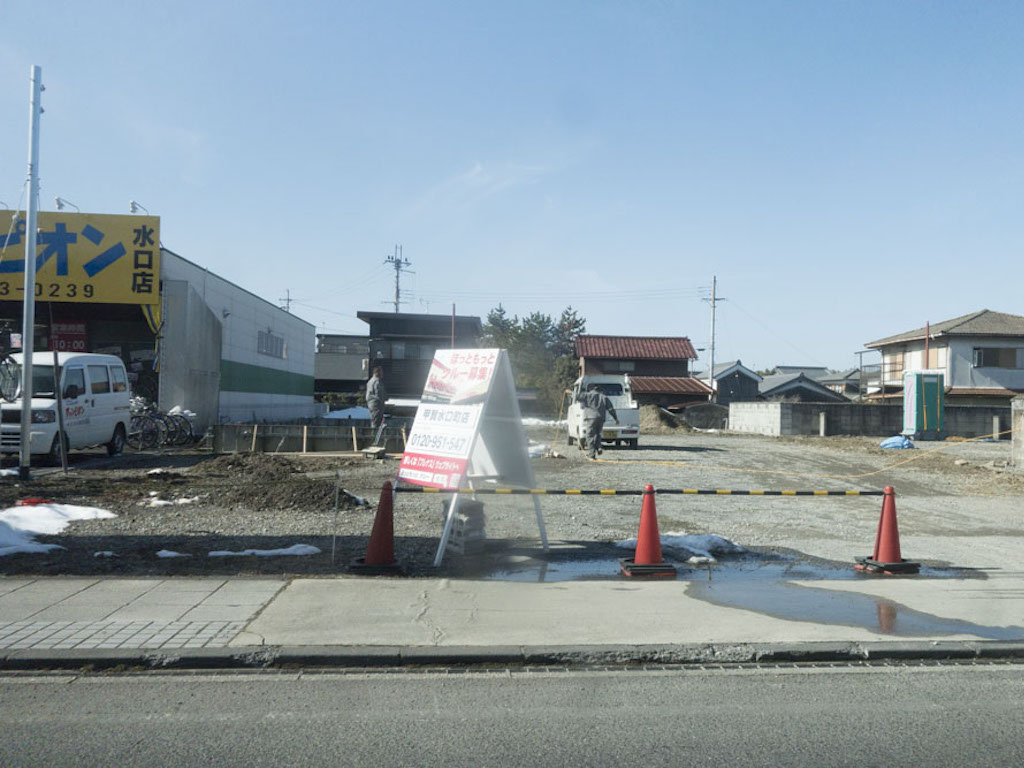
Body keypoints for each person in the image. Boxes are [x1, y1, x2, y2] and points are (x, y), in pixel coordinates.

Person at [576, 382, 618, 460]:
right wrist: (616, 419)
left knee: (590, 436)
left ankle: (591, 455)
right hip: (601, 418)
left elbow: (577, 397)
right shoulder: (604, 397)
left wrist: (572, 392)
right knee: (598, 434)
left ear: (592, 389)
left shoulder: (587, 395)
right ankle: (598, 447)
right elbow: (611, 409)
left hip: (591, 418)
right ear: (600, 390)